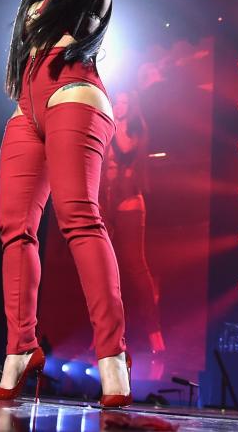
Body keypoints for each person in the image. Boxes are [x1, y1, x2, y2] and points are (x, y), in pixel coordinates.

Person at [0, 0, 131, 408]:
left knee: (79, 219)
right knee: (13, 227)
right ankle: (20, 351)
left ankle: (114, 365)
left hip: (73, 92)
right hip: (29, 105)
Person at [100, 90, 165, 355]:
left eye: (124, 102)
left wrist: (112, 124)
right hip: (108, 202)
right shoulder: (108, 126)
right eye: (117, 101)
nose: (120, 105)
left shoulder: (136, 129)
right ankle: (104, 330)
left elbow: (126, 150)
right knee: (103, 265)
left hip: (130, 203)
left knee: (135, 267)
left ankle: (154, 331)